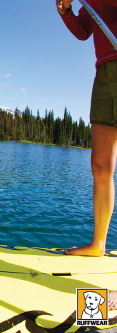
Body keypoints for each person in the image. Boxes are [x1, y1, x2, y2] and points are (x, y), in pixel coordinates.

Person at [56, 0, 117, 310]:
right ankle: (98, 245)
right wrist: (65, 11)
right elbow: (83, 31)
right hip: (105, 73)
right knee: (101, 166)